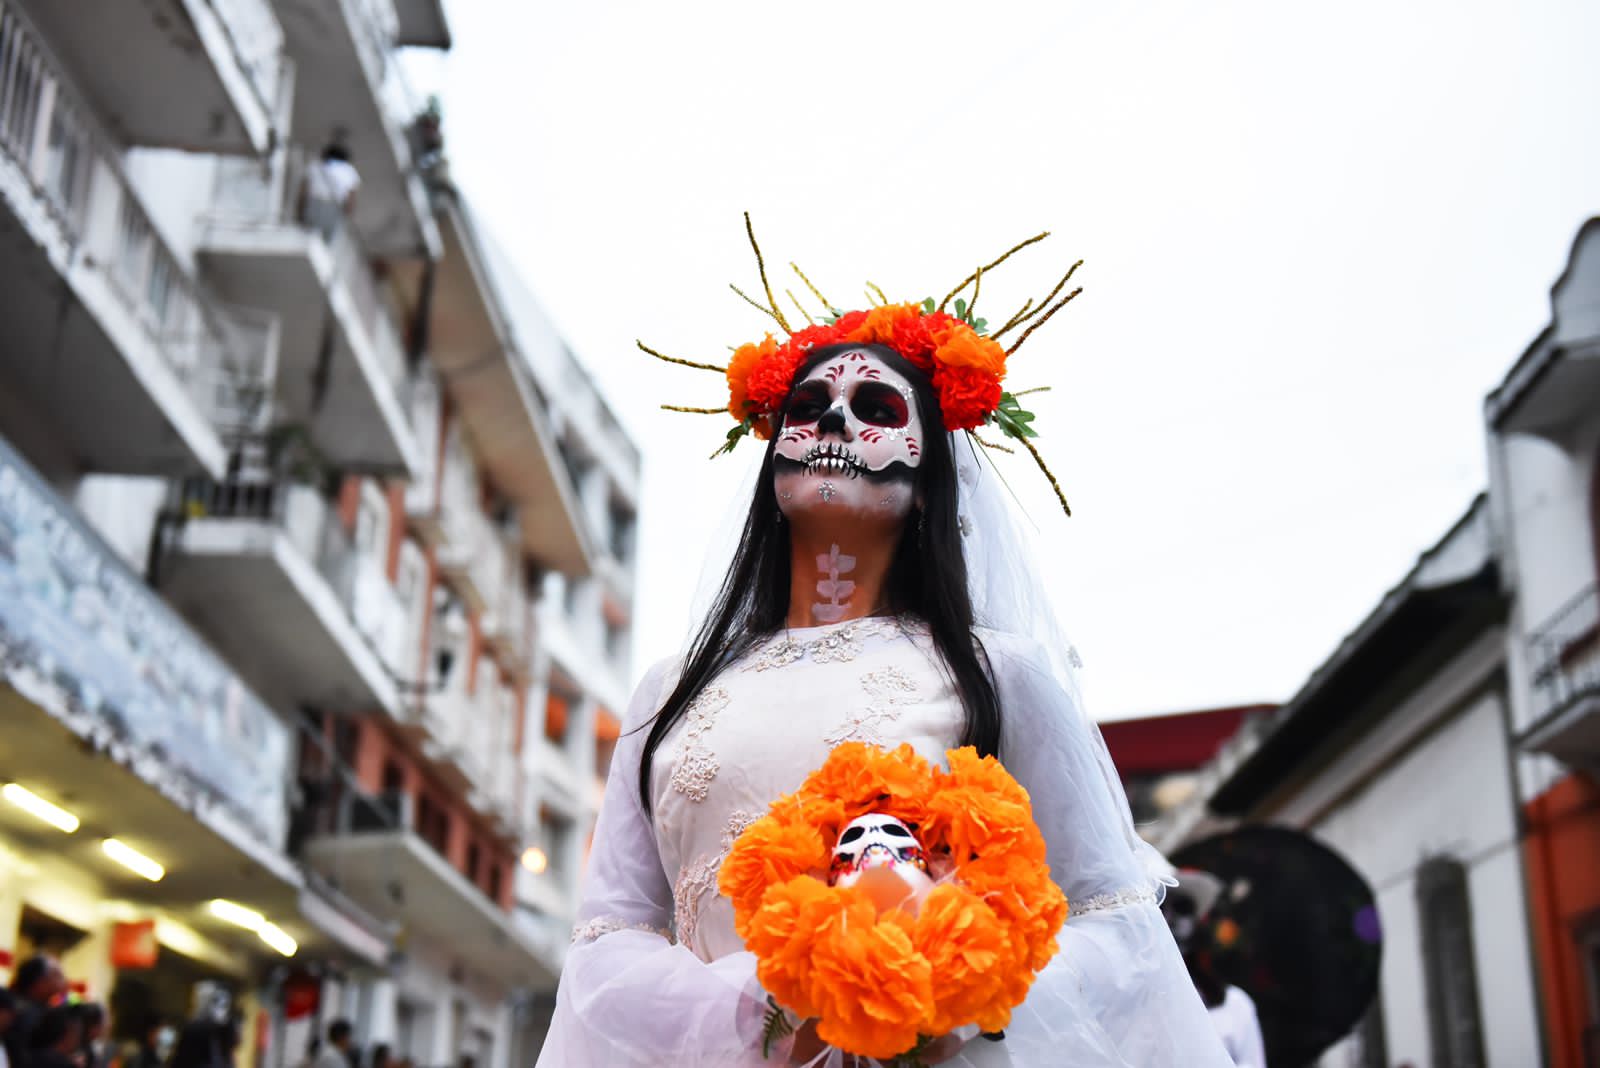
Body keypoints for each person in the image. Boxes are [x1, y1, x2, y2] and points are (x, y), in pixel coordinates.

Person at [534, 261, 1232, 1066]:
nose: (833, 422)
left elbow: (1114, 920)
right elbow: (608, 933)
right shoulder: (669, 691)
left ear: (929, 480)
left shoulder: (997, 674)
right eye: (807, 407)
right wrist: (764, 1005)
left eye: (875, 409)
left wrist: (952, 993)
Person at [7, 956, 67, 1068]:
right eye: (57, 976)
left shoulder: (42, 1010)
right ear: (39, 982)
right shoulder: (23, 1013)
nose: (64, 981)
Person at [299, 144, 360, 242]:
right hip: (334, 206)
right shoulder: (349, 170)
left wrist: (300, 209)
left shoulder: (315, 166)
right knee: (327, 238)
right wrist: (348, 212)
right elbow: (351, 195)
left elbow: (304, 191)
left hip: (314, 203)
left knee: (308, 235)